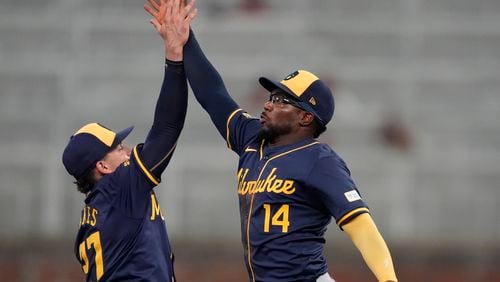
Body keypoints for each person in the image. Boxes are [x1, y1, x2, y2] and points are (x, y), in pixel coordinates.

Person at [145, 0, 398, 281]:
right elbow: (213, 94)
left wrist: (389, 280)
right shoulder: (252, 137)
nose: (268, 104)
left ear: (305, 118)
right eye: (270, 97)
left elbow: (361, 225)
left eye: (281, 101)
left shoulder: (319, 160)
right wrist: (186, 39)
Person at [61, 3, 196, 280]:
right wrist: (174, 54)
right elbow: (167, 129)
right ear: (103, 166)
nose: (128, 152)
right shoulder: (120, 187)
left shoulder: (96, 208)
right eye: (118, 148)